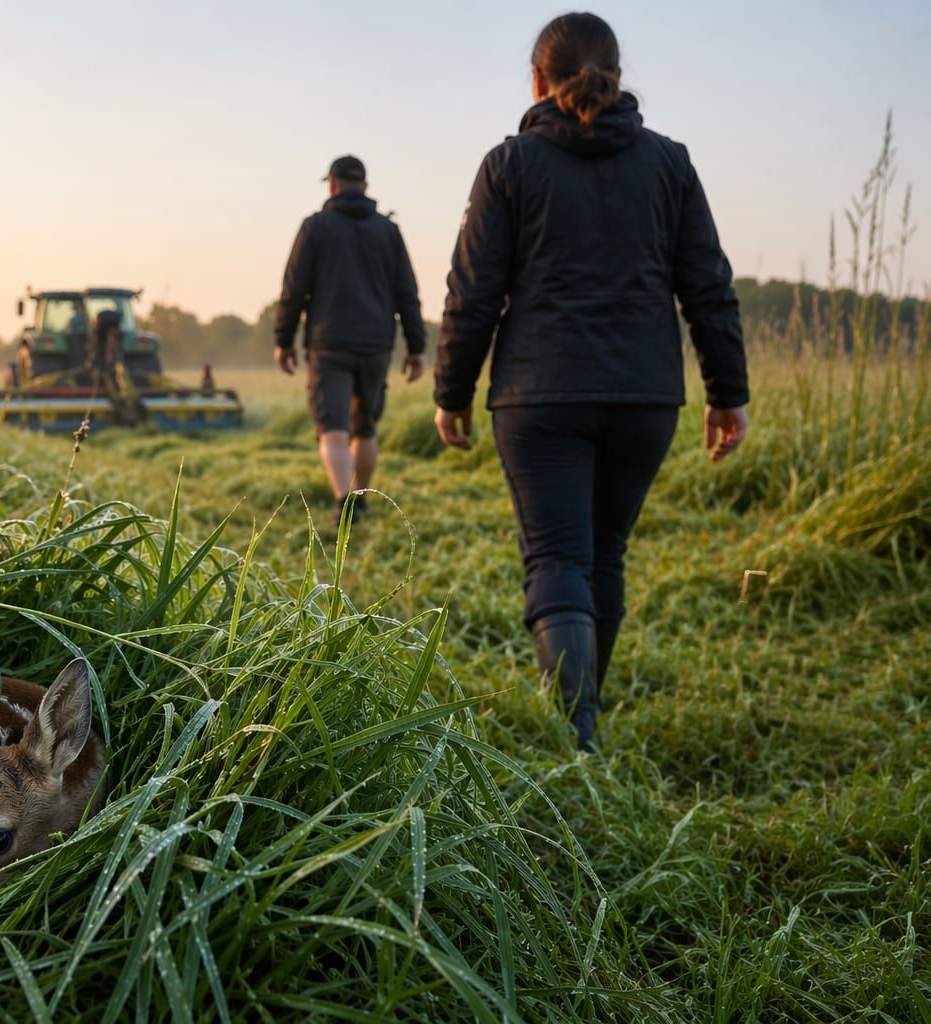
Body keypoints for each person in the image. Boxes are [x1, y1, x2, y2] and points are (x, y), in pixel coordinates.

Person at [432, 12, 750, 751]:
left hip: (539, 394)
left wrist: (452, 393)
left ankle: (577, 733)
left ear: (537, 80)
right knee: (604, 553)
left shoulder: (508, 165)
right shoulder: (669, 163)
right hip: (645, 395)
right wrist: (727, 392)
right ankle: (587, 720)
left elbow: (472, 294)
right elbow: (708, 286)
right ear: (616, 73)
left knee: (558, 556)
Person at [275, 155, 426, 527]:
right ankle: (361, 501)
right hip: (376, 344)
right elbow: (407, 293)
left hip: (329, 343)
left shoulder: (315, 227)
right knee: (366, 428)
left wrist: (284, 339)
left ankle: (345, 503)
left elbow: (294, 290)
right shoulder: (388, 231)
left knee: (334, 428)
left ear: (331, 184)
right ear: (365, 186)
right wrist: (416, 346)